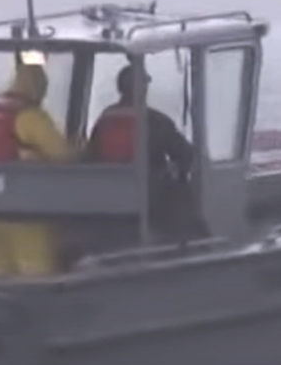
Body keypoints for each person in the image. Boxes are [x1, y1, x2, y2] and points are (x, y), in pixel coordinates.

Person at [0, 54, 75, 277]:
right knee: (36, 273)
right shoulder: (31, 116)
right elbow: (63, 156)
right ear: (38, 88)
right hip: (28, 210)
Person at [85, 65, 204, 238]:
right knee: (181, 192)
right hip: (149, 197)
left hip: (107, 195)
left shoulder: (106, 118)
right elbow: (186, 155)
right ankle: (185, 242)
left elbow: (92, 154)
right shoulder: (156, 121)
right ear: (143, 88)